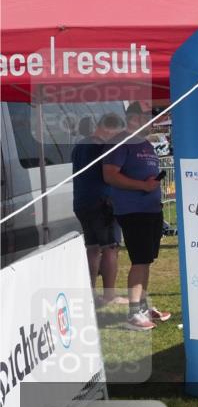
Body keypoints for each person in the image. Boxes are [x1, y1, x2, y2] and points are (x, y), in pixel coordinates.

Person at [103, 102, 171, 331]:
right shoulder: (121, 142)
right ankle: (134, 313)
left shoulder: (145, 144)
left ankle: (141, 305)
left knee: (146, 260)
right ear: (135, 118)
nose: (153, 121)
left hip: (151, 209)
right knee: (140, 260)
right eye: (149, 116)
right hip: (133, 211)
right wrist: (142, 186)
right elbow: (110, 175)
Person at [72, 113, 125, 306]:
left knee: (92, 248)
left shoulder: (80, 146)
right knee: (110, 248)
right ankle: (109, 295)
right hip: (103, 203)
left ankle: (91, 292)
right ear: (108, 128)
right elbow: (111, 174)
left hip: (81, 202)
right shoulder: (104, 148)